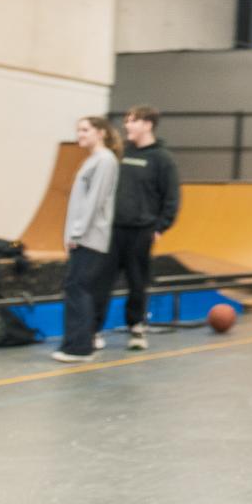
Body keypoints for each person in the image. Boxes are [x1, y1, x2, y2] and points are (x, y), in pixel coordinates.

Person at [107, 104, 182, 351]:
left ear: (147, 124)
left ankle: (136, 328)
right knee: (102, 280)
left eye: (132, 120)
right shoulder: (120, 153)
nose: (126, 125)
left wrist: (160, 227)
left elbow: (171, 198)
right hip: (114, 229)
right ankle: (94, 329)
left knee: (137, 282)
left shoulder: (162, 159)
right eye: (126, 120)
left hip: (142, 231)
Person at [53, 115, 121, 363]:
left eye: (85, 130)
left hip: (90, 237)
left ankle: (79, 347)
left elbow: (95, 200)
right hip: (83, 236)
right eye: (78, 130)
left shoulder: (105, 160)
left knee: (78, 288)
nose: (80, 135)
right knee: (76, 288)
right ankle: (76, 342)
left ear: (101, 132)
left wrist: (77, 233)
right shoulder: (94, 160)